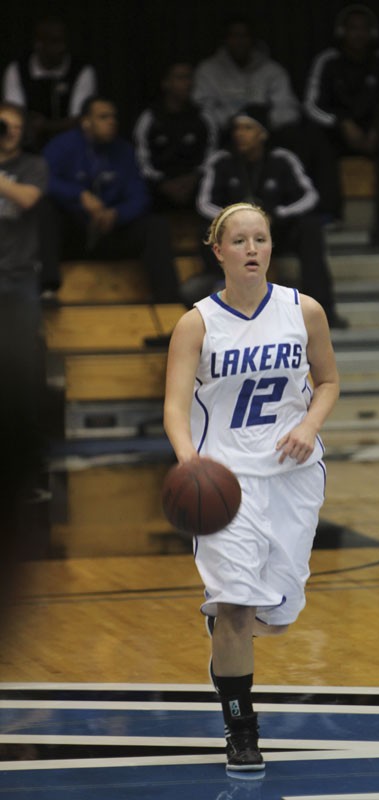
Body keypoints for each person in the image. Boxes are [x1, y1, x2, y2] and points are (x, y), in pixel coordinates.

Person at [163, 201, 340, 773]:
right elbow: (172, 407)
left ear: (270, 247)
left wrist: (309, 425)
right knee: (238, 607)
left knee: (277, 616)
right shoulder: (196, 322)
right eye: (238, 241)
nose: (251, 249)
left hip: (293, 476)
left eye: (259, 239)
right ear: (218, 251)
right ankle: (241, 731)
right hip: (224, 481)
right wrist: (190, 463)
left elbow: (329, 381)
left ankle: (227, 634)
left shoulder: (303, 310)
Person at [196, 104, 347, 328]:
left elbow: (310, 197)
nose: (240, 134)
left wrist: (277, 214)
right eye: (237, 129)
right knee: (208, 231)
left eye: (247, 128)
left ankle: (323, 311)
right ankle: (220, 303)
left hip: (277, 230)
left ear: (262, 134)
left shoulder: (281, 159)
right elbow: (203, 203)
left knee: (310, 228)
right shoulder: (222, 162)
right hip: (235, 235)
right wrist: (236, 217)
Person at [192, 14, 342, 220]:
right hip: (224, 132)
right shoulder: (208, 70)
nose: (239, 41)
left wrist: (261, 123)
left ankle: (325, 211)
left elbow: (288, 108)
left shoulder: (271, 69)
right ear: (226, 40)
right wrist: (235, 121)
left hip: (268, 132)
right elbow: (202, 107)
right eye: (234, 36)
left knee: (313, 139)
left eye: (244, 36)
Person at [39, 95, 181, 307]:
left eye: (113, 117)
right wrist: (79, 196)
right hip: (74, 233)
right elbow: (42, 180)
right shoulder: (63, 145)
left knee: (156, 226)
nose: (112, 122)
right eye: (103, 117)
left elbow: (140, 196)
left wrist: (117, 214)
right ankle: (47, 289)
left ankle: (167, 302)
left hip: (110, 230)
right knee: (44, 210)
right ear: (86, 122)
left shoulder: (123, 150)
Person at [304, 3, 379, 230]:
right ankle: (329, 213)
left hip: (377, 132)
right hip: (338, 132)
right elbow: (311, 106)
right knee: (313, 136)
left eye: (363, 28)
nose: (358, 34)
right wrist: (340, 123)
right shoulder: (327, 61)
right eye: (352, 28)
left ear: (372, 33)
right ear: (341, 32)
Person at [0, 101, 49, 596]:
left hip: (18, 283)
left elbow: (29, 200)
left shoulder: (33, 165)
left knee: (23, 376)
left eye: (11, 125)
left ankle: (31, 475)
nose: (6, 131)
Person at [1, 17, 97, 152]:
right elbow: (14, 114)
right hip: (26, 147)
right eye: (55, 42)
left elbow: (80, 120)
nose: (61, 48)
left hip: (70, 148)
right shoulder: (18, 69)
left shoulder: (81, 70)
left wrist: (46, 126)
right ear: (39, 44)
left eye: (63, 42)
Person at [133, 61, 216, 213]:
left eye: (189, 78)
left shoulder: (204, 117)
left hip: (195, 187)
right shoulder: (149, 118)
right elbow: (141, 159)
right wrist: (162, 184)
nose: (188, 83)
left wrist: (194, 178)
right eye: (180, 78)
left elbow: (212, 156)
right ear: (166, 83)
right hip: (159, 189)